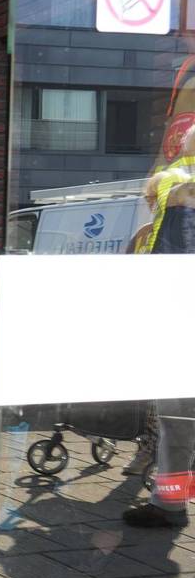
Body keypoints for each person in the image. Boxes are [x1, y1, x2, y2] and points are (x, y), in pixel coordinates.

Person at [122, 127, 195, 528]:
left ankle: (170, 505)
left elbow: (175, 196)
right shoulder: (175, 181)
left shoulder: (171, 177)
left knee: (178, 419)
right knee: (177, 419)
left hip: (179, 315)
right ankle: (170, 503)